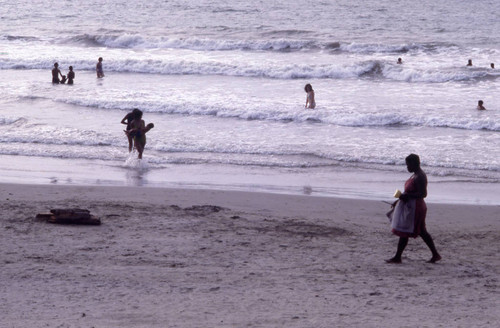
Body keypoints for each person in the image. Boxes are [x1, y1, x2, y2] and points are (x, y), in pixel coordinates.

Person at [386, 154, 441, 264]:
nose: (407, 167)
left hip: (417, 208)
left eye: (408, 165)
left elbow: (423, 194)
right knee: (417, 231)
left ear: (415, 164)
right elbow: (409, 192)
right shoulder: (415, 175)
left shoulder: (420, 176)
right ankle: (435, 254)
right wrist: (398, 200)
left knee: (410, 231)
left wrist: (407, 197)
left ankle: (398, 257)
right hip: (412, 207)